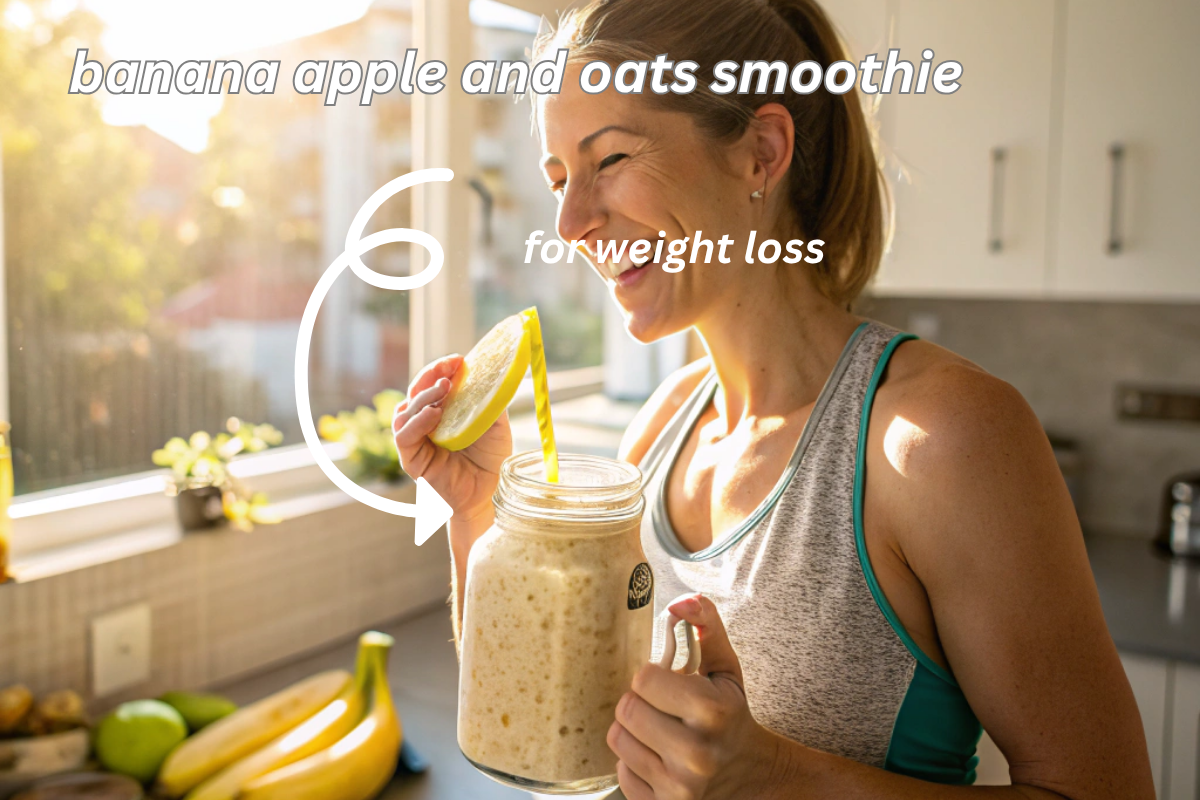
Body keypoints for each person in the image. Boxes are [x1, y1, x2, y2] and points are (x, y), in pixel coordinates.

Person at [393, 0, 1154, 796]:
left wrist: (777, 779)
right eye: (557, 181)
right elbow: (563, 738)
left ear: (761, 152)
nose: (573, 222)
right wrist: (480, 515)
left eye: (609, 159)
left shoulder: (938, 439)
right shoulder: (659, 433)